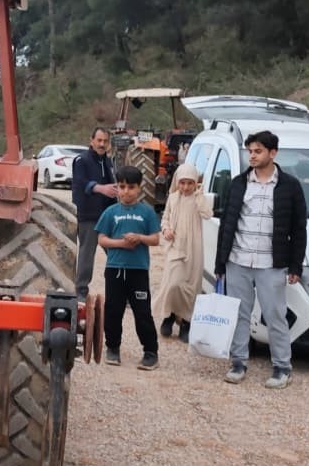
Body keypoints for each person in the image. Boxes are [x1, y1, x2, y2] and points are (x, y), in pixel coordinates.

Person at [214, 130, 307, 388]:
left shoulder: (290, 186)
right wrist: (220, 263)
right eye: (250, 151)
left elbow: (299, 229)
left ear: (273, 153)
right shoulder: (238, 183)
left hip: (271, 263)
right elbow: (226, 224)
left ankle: (282, 367)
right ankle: (238, 362)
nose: (252, 156)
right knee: (239, 314)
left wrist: (295, 265)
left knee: (275, 315)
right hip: (238, 260)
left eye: (257, 151)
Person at [95, 165, 161, 370]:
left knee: (142, 312)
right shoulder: (110, 212)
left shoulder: (147, 213)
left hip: (138, 271)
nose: (126, 191)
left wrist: (140, 238)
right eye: (122, 186)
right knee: (113, 310)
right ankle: (113, 348)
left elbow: (155, 239)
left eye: (131, 187)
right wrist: (121, 244)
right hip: (114, 269)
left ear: (139, 188)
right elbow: (102, 240)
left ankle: (150, 352)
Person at [156, 162, 211, 342]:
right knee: (173, 283)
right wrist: (166, 230)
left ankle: (186, 321)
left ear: (195, 182)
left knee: (190, 286)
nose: (186, 187)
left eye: (190, 183)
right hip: (175, 247)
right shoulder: (173, 198)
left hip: (193, 249)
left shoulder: (198, 198)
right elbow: (165, 218)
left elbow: (207, 214)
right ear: (177, 182)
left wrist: (200, 196)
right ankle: (169, 314)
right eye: (182, 182)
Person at [70, 127, 118, 301]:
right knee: (86, 255)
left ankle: (120, 290)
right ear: (91, 141)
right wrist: (100, 188)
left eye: (105, 141)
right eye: (99, 140)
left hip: (107, 217)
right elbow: (80, 183)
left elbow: (112, 184)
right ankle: (81, 291)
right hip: (88, 216)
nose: (102, 144)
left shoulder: (108, 162)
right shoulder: (81, 161)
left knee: (116, 253)